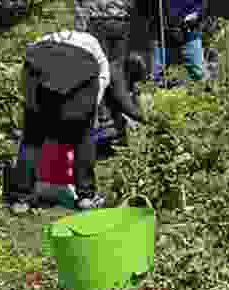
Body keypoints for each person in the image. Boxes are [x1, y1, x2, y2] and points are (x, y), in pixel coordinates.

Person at [8, 30, 145, 212]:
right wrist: (89, 111)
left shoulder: (43, 39)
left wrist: (31, 105)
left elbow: (26, 72)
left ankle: (21, 200)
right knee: (83, 138)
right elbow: (102, 77)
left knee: (32, 137)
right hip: (78, 68)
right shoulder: (93, 45)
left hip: (38, 70)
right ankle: (85, 197)